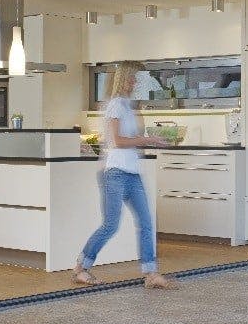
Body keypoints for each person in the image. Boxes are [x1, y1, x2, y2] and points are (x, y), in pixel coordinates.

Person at [74, 61, 178, 290]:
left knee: (147, 223)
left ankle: (150, 274)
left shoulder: (129, 106)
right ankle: (82, 267)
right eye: (133, 78)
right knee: (111, 225)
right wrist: (149, 140)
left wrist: (152, 140)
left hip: (132, 173)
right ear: (124, 79)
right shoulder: (116, 106)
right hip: (116, 174)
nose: (136, 82)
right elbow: (119, 141)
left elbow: (129, 141)